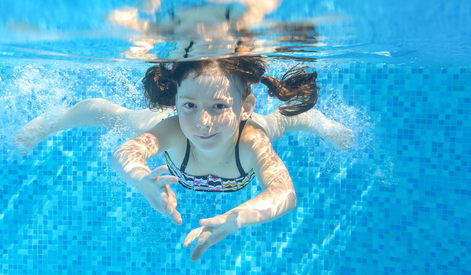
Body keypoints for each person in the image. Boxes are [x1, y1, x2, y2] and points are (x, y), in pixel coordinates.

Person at [14, 57, 355, 261]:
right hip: (174, 137)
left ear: (243, 108)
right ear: (177, 101)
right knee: (115, 116)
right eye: (189, 105)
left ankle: (317, 120)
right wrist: (138, 177)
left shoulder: (251, 140)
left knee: (282, 122)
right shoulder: (176, 129)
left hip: (247, 131)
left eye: (219, 106)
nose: (203, 122)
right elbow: (126, 152)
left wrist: (240, 216)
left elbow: (284, 191)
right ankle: (53, 120)